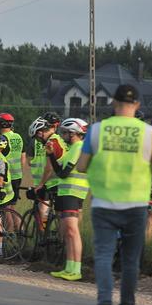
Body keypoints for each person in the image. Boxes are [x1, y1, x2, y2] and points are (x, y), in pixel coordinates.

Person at [77, 84, 152, 305]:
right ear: (137, 105)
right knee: (130, 260)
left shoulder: (96, 131)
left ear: (114, 104)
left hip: (104, 203)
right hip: (136, 204)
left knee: (104, 256)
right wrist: (151, 174)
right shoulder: (150, 133)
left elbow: (81, 166)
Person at [47, 118, 89, 281]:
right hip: (66, 193)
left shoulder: (78, 147)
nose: (62, 135)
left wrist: (52, 156)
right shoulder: (72, 148)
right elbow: (60, 171)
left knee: (72, 231)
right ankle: (69, 267)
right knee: (68, 232)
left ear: (74, 133)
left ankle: (75, 269)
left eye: (65, 132)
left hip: (73, 192)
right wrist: (51, 155)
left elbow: (63, 173)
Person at [0, 113, 25, 206]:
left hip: (6, 176)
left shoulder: (3, 139)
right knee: (13, 207)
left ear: (1, 124)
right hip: (17, 175)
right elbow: (23, 156)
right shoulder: (18, 137)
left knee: (6, 207)